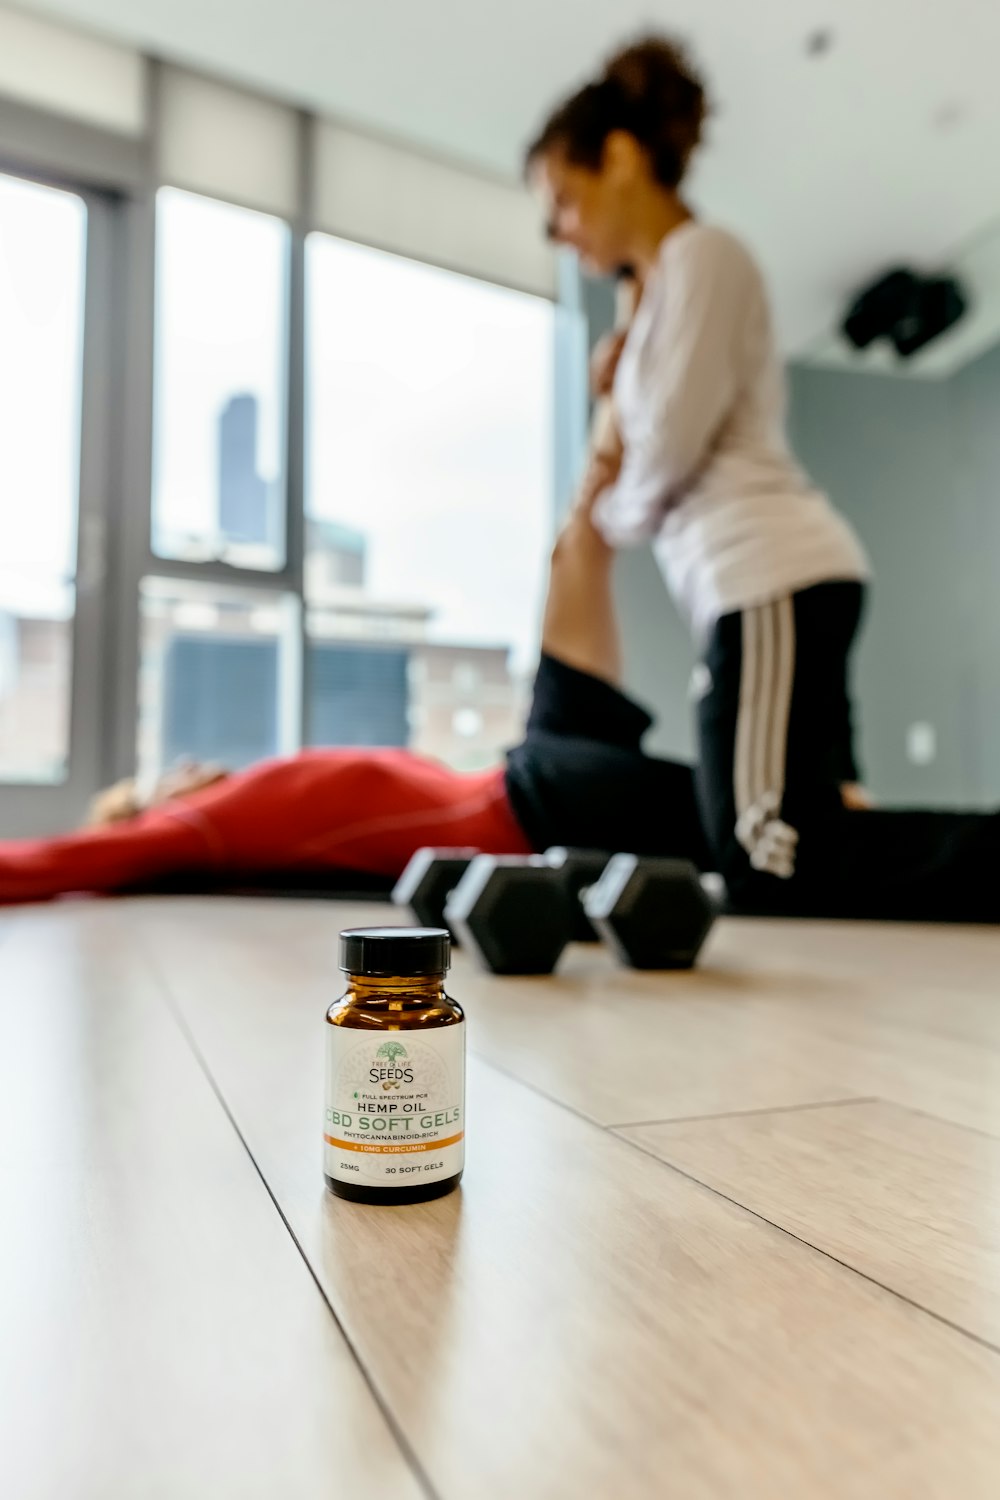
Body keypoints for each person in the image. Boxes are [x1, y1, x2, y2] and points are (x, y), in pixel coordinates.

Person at [526, 34, 874, 910]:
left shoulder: (705, 258)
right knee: (817, 824)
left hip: (768, 575)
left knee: (759, 849)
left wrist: (603, 521)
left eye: (563, 202)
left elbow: (672, 452)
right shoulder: (654, 293)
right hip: (764, 584)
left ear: (620, 157)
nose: (562, 232)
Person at [0, 504, 709, 907]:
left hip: (529, 763)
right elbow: (62, 862)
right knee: (767, 810)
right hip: (539, 809)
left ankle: (635, 353)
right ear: (152, 818)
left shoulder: (238, 802)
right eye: (161, 782)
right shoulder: (200, 826)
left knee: (575, 549)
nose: (184, 765)